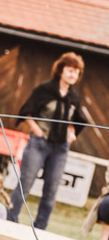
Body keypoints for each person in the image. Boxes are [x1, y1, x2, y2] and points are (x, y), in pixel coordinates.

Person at [7, 52, 87, 230]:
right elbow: (26, 111)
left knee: (51, 192)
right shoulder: (44, 90)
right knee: (25, 184)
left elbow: (77, 119)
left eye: (77, 72)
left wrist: (72, 132)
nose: (73, 74)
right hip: (39, 144)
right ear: (61, 70)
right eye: (70, 70)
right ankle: (10, 221)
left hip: (60, 149)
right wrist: (35, 129)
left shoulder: (74, 97)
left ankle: (40, 229)